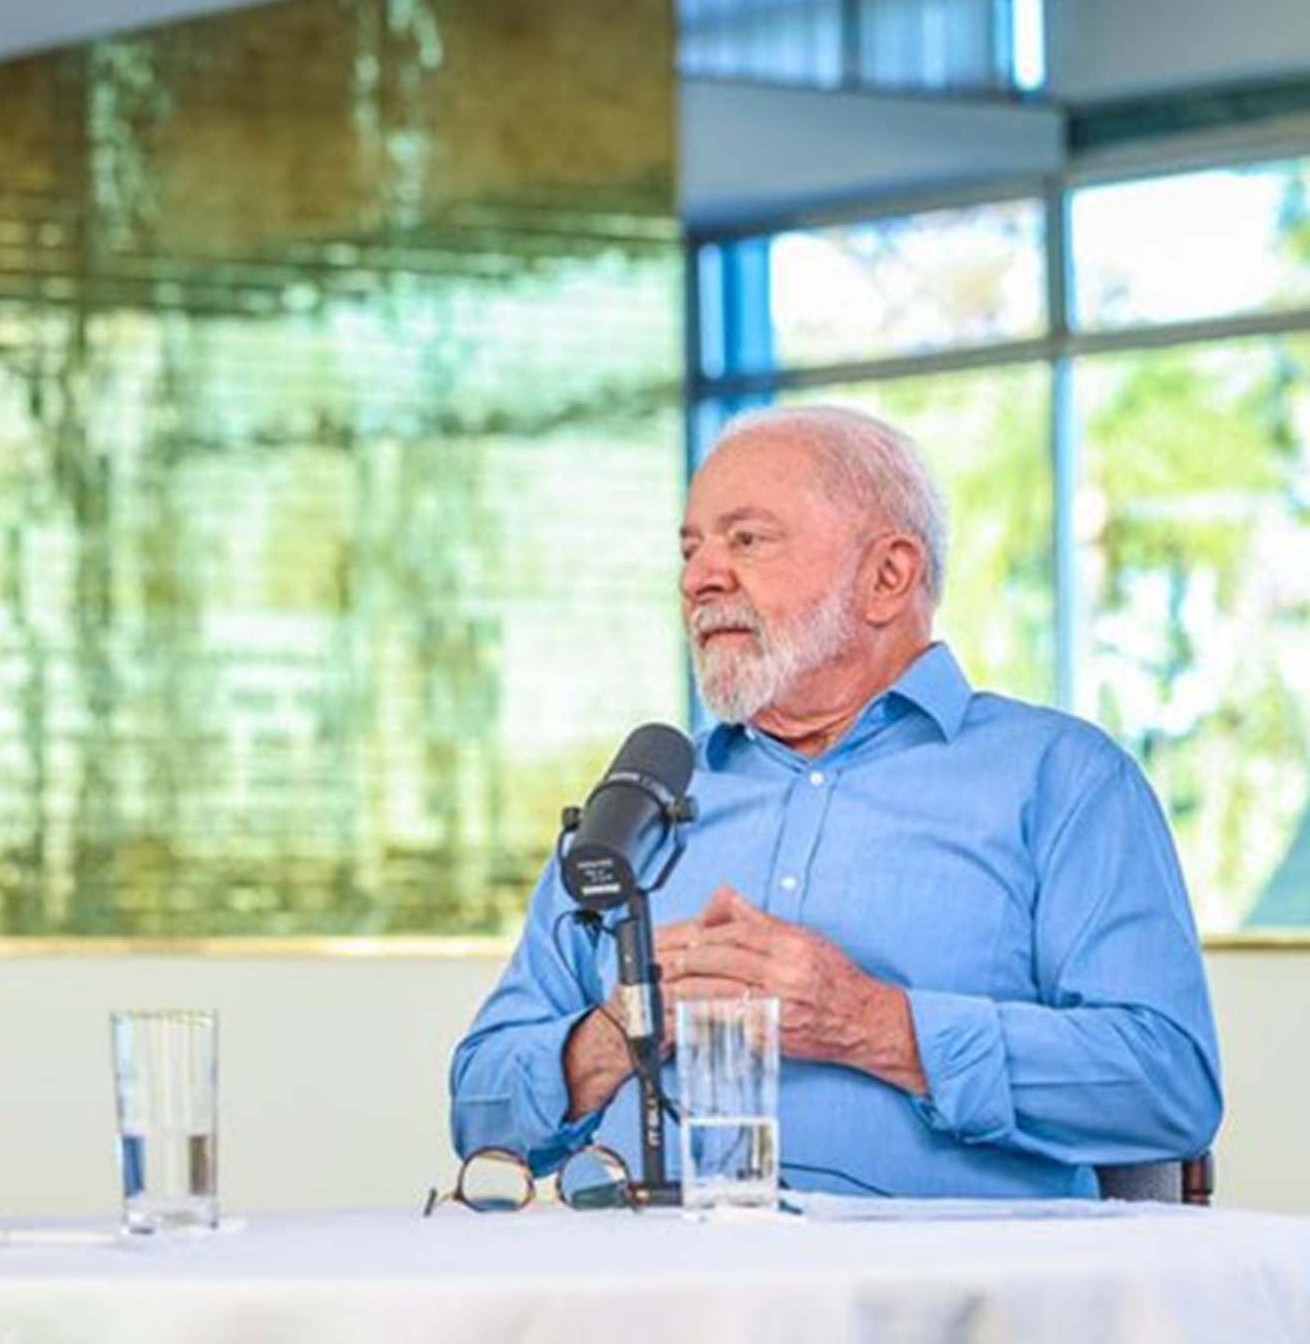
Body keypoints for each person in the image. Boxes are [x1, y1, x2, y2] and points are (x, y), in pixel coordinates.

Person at [450, 405, 1220, 1199]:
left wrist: (873, 1025)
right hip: (651, 1295)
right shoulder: (644, 799)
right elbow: (480, 1111)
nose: (698, 578)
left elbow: (1169, 1088)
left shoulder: (1063, 780)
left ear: (887, 575)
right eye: (691, 549)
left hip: (939, 1306)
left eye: (747, 540)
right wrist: (621, 1032)